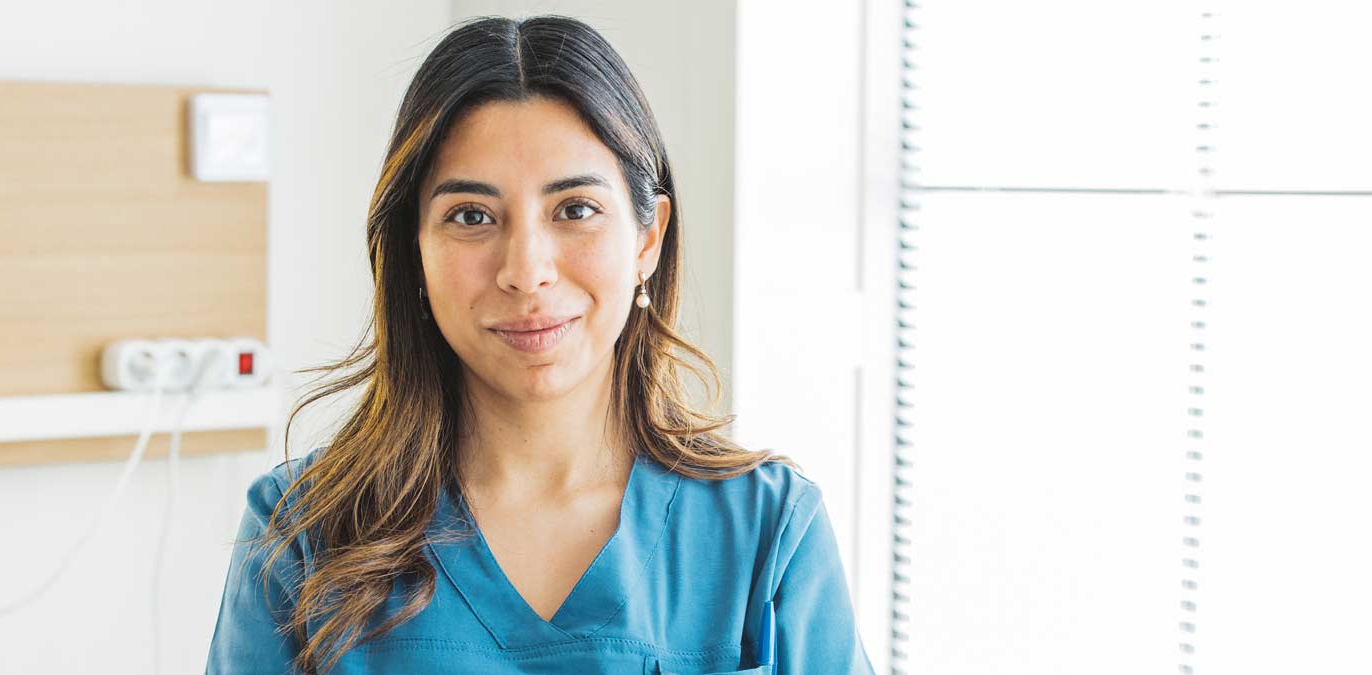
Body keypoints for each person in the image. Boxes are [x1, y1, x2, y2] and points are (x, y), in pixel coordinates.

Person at [205, 15, 874, 675]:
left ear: (647, 238)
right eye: (472, 216)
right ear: (415, 249)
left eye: (575, 209)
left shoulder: (767, 534)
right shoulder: (301, 535)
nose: (526, 270)